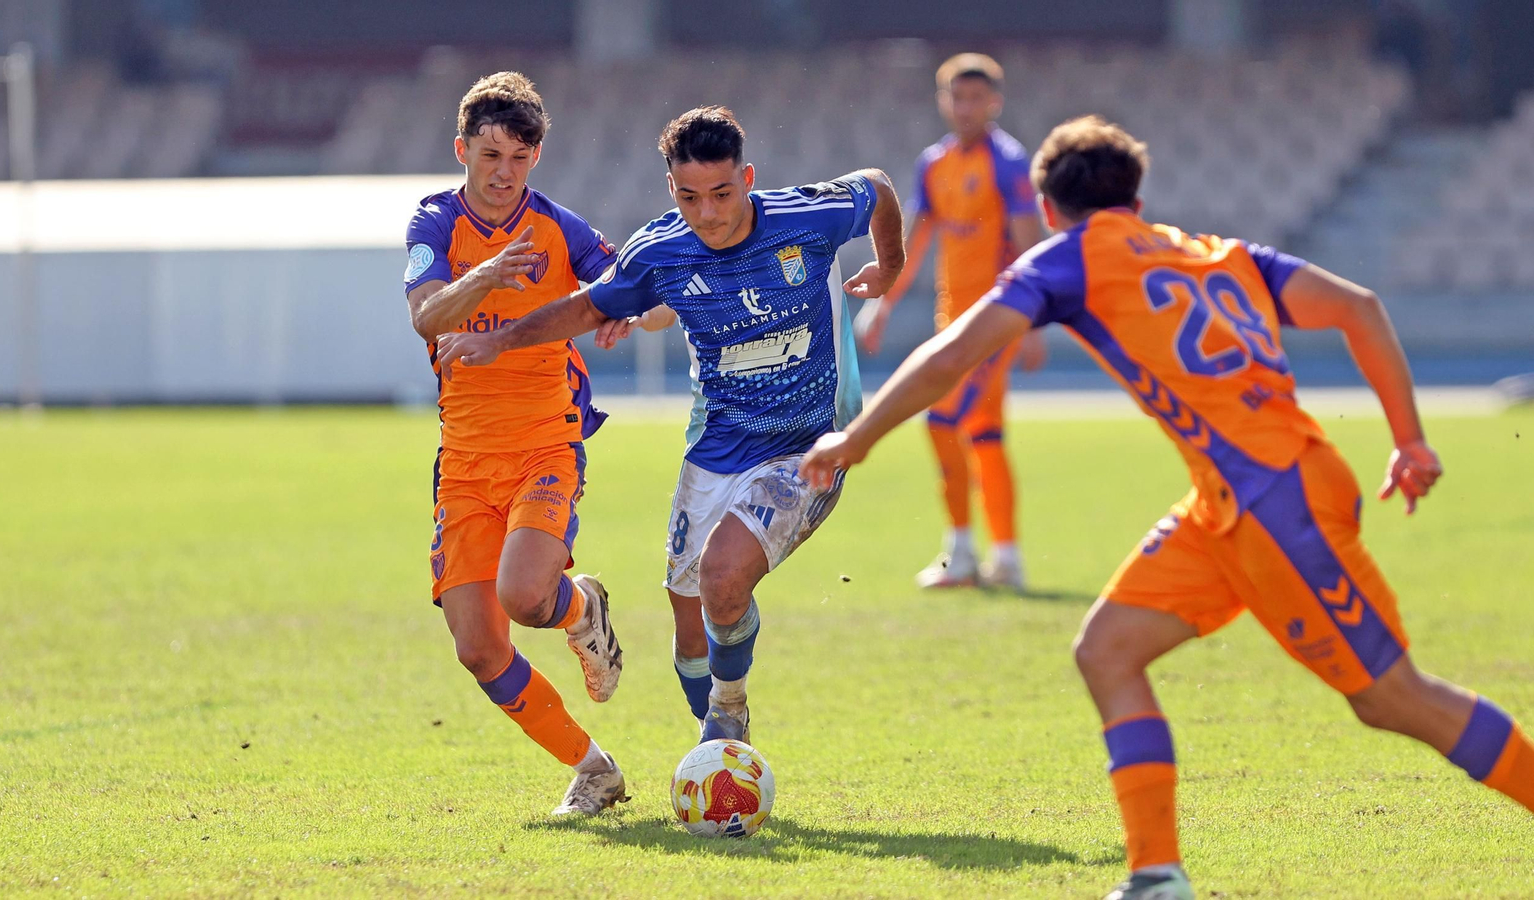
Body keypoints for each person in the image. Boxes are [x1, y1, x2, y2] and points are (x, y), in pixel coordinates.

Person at [801, 115, 1534, 900]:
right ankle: (1157, 875)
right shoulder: (1220, 252)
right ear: (1138, 197)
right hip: (1234, 502)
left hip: (1276, 502)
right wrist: (1409, 441)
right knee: (1108, 649)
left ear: (1048, 209)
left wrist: (858, 436)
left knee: (1393, 698)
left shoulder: (1069, 259)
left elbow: (953, 354)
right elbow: (1358, 305)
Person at [436, 106, 906, 745]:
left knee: (722, 575)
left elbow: (877, 185)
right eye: (690, 198)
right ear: (670, 191)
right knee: (689, 636)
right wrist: (505, 340)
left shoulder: (806, 216)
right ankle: (715, 750)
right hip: (714, 452)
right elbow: (584, 306)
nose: (708, 214)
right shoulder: (660, 251)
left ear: (748, 177)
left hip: (807, 449)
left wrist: (891, 264)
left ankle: (730, 714)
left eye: (721, 194)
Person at [403, 71, 626, 816]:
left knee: (526, 597)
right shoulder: (434, 224)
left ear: (537, 157)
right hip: (463, 462)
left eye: (520, 158)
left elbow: (626, 289)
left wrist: (628, 314)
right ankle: (594, 770)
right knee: (478, 648)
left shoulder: (560, 227)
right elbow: (427, 318)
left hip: (544, 445)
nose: (503, 173)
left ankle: (577, 607)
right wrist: (490, 276)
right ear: (461, 148)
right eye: (490, 155)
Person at [854, 52, 1048, 589]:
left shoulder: (1009, 162)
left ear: (994, 103)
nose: (965, 108)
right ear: (943, 101)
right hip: (952, 320)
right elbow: (916, 242)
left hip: (998, 319)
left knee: (943, 421)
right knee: (983, 431)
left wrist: (1032, 323)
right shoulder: (934, 164)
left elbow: (1029, 242)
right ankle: (1003, 557)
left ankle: (962, 553)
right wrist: (884, 303)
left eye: (975, 98)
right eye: (956, 97)